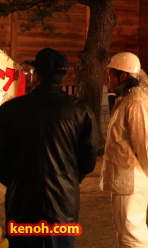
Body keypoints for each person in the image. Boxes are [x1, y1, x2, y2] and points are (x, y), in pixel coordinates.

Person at [0, 48, 100, 248]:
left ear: (37, 75)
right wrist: (70, 178)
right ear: (61, 76)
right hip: (63, 204)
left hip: (23, 203)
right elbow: (88, 157)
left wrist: (15, 180)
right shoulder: (79, 110)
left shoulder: (11, 110)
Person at [101, 52, 148, 247]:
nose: (107, 79)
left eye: (110, 74)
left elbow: (142, 143)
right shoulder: (127, 99)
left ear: (123, 76)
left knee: (131, 230)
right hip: (127, 175)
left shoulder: (136, 103)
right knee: (126, 229)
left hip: (130, 176)